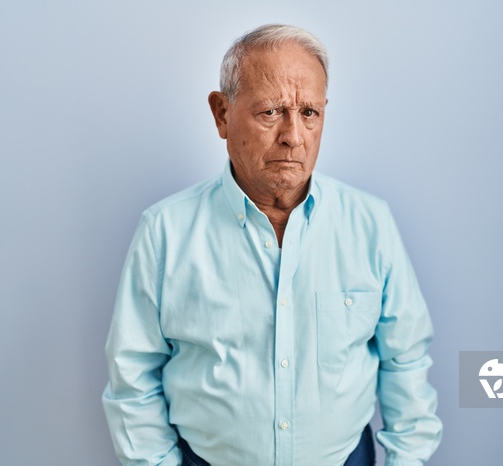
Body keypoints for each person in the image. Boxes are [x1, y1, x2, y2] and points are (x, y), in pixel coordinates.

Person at [102, 24, 442, 466]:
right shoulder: (164, 231)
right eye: (271, 112)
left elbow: (406, 363)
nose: (293, 136)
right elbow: (133, 378)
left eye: (309, 113)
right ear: (222, 114)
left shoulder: (370, 224)